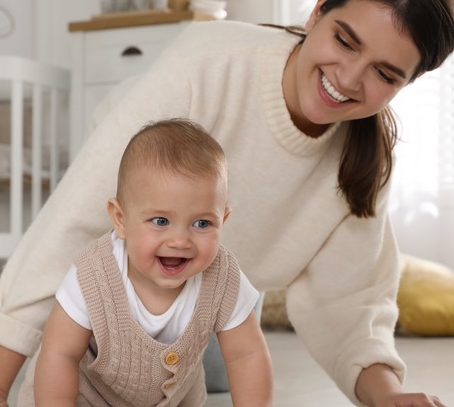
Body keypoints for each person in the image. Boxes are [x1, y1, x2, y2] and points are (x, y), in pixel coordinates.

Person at [0, 0, 454, 406]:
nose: (348, 79)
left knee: (209, 376)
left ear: (406, 84)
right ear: (318, 8)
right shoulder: (205, 63)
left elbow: (352, 300)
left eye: (385, 74)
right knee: (89, 363)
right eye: (345, 40)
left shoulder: (366, 162)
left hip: (215, 289)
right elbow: (71, 223)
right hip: (131, 262)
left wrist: (388, 395)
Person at [16, 119, 273, 406]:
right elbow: (59, 353)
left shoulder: (223, 277)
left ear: (222, 220)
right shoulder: (92, 275)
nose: (180, 240)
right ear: (121, 220)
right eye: (161, 221)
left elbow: (247, 355)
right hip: (84, 396)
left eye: (202, 223)